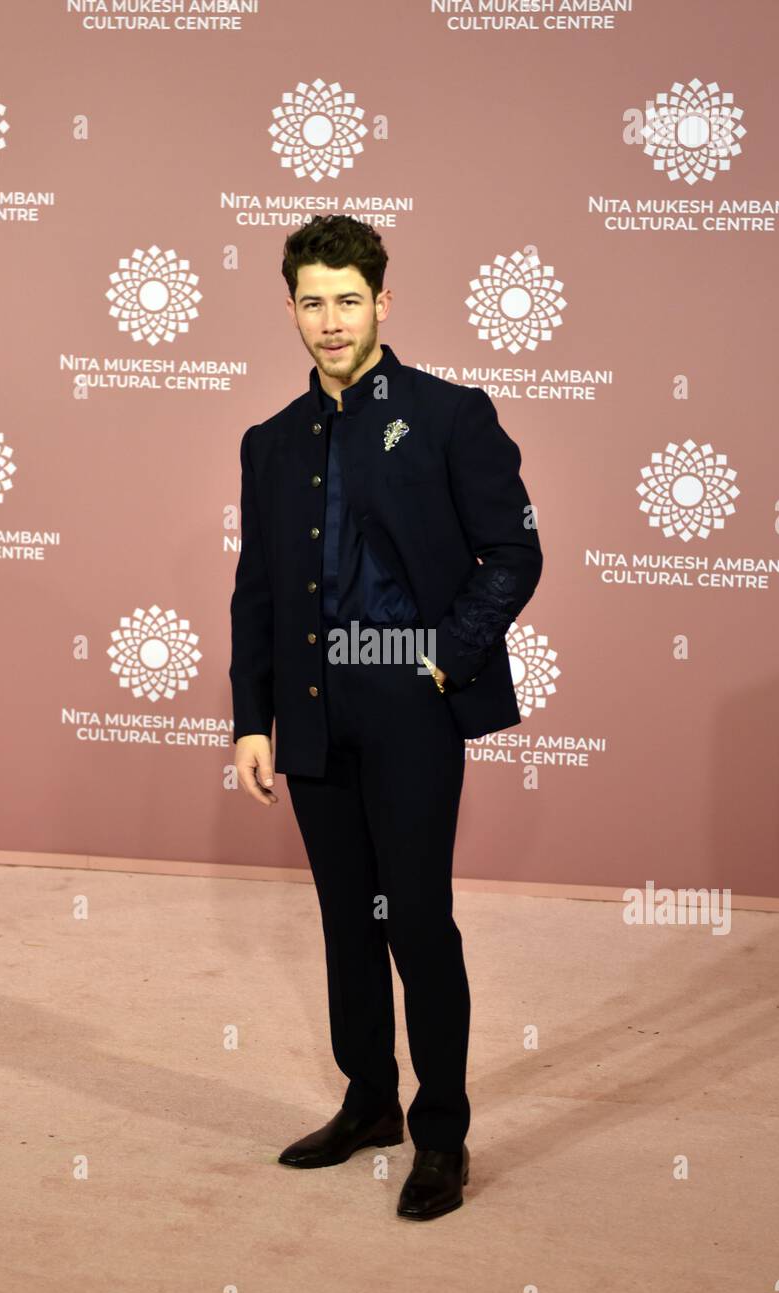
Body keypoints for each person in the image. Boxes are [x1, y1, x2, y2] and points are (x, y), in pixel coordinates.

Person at [229, 214, 542, 1219]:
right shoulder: (269, 443)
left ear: (382, 302)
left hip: (409, 709)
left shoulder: (450, 415)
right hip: (312, 718)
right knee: (343, 921)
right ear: (289, 310)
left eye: (347, 299)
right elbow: (258, 594)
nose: (329, 321)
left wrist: (442, 660)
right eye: (311, 302)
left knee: (415, 920)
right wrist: (250, 718)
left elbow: (513, 555)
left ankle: (441, 1135)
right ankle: (369, 1102)